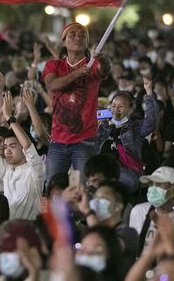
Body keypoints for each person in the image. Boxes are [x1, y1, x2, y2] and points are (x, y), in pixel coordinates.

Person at [42, 22, 111, 185]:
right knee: (52, 186)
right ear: (63, 41)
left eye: (82, 35)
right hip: (57, 141)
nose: (77, 37)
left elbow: (105, 69)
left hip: (84, 141)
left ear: (87, 42)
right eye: (72, 34)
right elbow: (53, 85)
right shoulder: (54, 65)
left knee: (82, 189)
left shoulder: (93, 64)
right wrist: (78, 73)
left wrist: (102, 58)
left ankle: (80, 211)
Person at [95, 79, 158, 193]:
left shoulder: (135, 128)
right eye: (113, 106)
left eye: (121, 106)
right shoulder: (103, 128)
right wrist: (96, 126)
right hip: (102, 170)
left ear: (130, 110)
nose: (116, 109)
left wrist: (149, 93)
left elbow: (150, 122)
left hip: (125, 171)